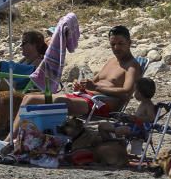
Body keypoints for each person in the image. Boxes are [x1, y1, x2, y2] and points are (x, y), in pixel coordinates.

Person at [11, 25, 141, 135]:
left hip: (101, 105)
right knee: (29, 98)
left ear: (130, 42)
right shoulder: (111, 61)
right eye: (113, 44)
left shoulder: (132, 66)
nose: (116, 48)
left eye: (121, 44)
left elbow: (126, 92)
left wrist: (95, 88)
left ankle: (35, 139)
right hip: (85, 98)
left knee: (59, 101)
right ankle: (10, 140)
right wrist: (81, 86)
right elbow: (93, 83)